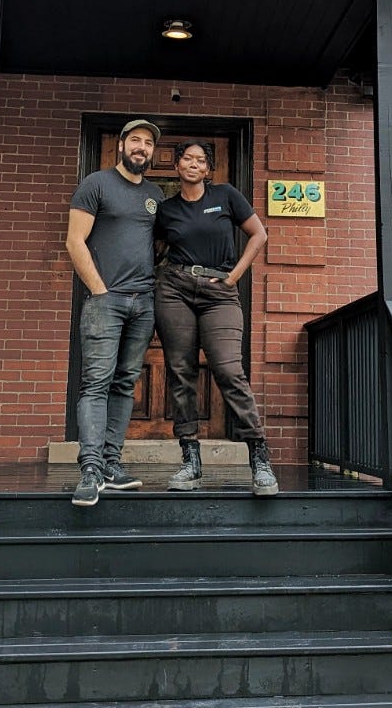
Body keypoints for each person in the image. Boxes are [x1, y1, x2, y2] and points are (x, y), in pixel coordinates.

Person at [154, 139, 277, 496]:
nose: (193, 164)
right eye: (186, 159)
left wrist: (234, 276)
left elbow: (259, 234)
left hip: (219, 291)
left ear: (208, 169)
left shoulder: (225, 195)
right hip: (174, 288)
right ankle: (190, 460)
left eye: (200, 160)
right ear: (177, 166)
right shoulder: (166, 210)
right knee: (180, 371)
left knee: (227, 369)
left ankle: (259, 458)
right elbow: (157, 249)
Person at [65, 119, 163, 508]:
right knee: (96, 383)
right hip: (106, 301)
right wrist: (100, 290)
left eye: (148, 143)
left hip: (144, 303)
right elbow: (75, 241)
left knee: (125, 384)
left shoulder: (155, 194)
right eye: (135, 140)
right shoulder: (96, 183)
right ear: (120, 145)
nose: (141, 147)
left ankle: (111, 463)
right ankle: (89, 468)